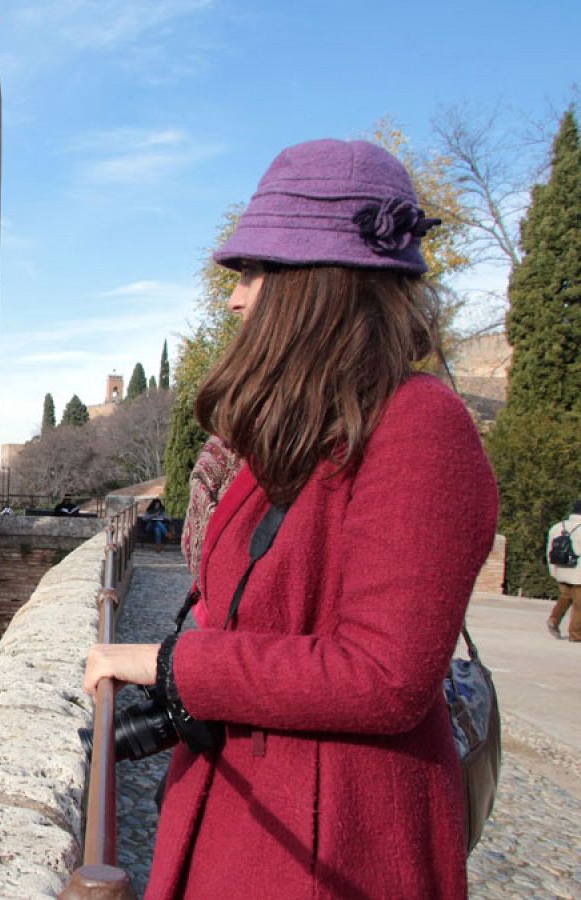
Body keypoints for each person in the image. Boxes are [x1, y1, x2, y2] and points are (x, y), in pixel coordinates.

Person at [82, 139, 499, 898]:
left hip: (330, 845)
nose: (236, 298)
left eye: (252, 271)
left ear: (313, 282)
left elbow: (386, 675)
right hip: (245, 814)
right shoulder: (298, 433)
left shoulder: (419, 425)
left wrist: (168, 664)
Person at [547, 500, 581, 641]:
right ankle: (575, 634)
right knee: (579, 604)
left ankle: (554, 619)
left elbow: (549, 550)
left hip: (561, 569)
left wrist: (552, 570)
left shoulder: (557, 527)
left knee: (566, 597)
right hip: (578, 571)